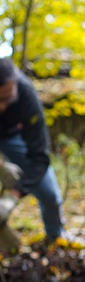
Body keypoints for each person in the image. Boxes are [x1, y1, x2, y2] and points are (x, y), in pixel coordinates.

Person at [0, 57, 66, 241]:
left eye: (6, 99)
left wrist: (11, 198)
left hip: (13, 137)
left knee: (49, 193)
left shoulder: (26, 95)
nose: (1, 107)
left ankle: (56, 237)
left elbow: (39, 157)